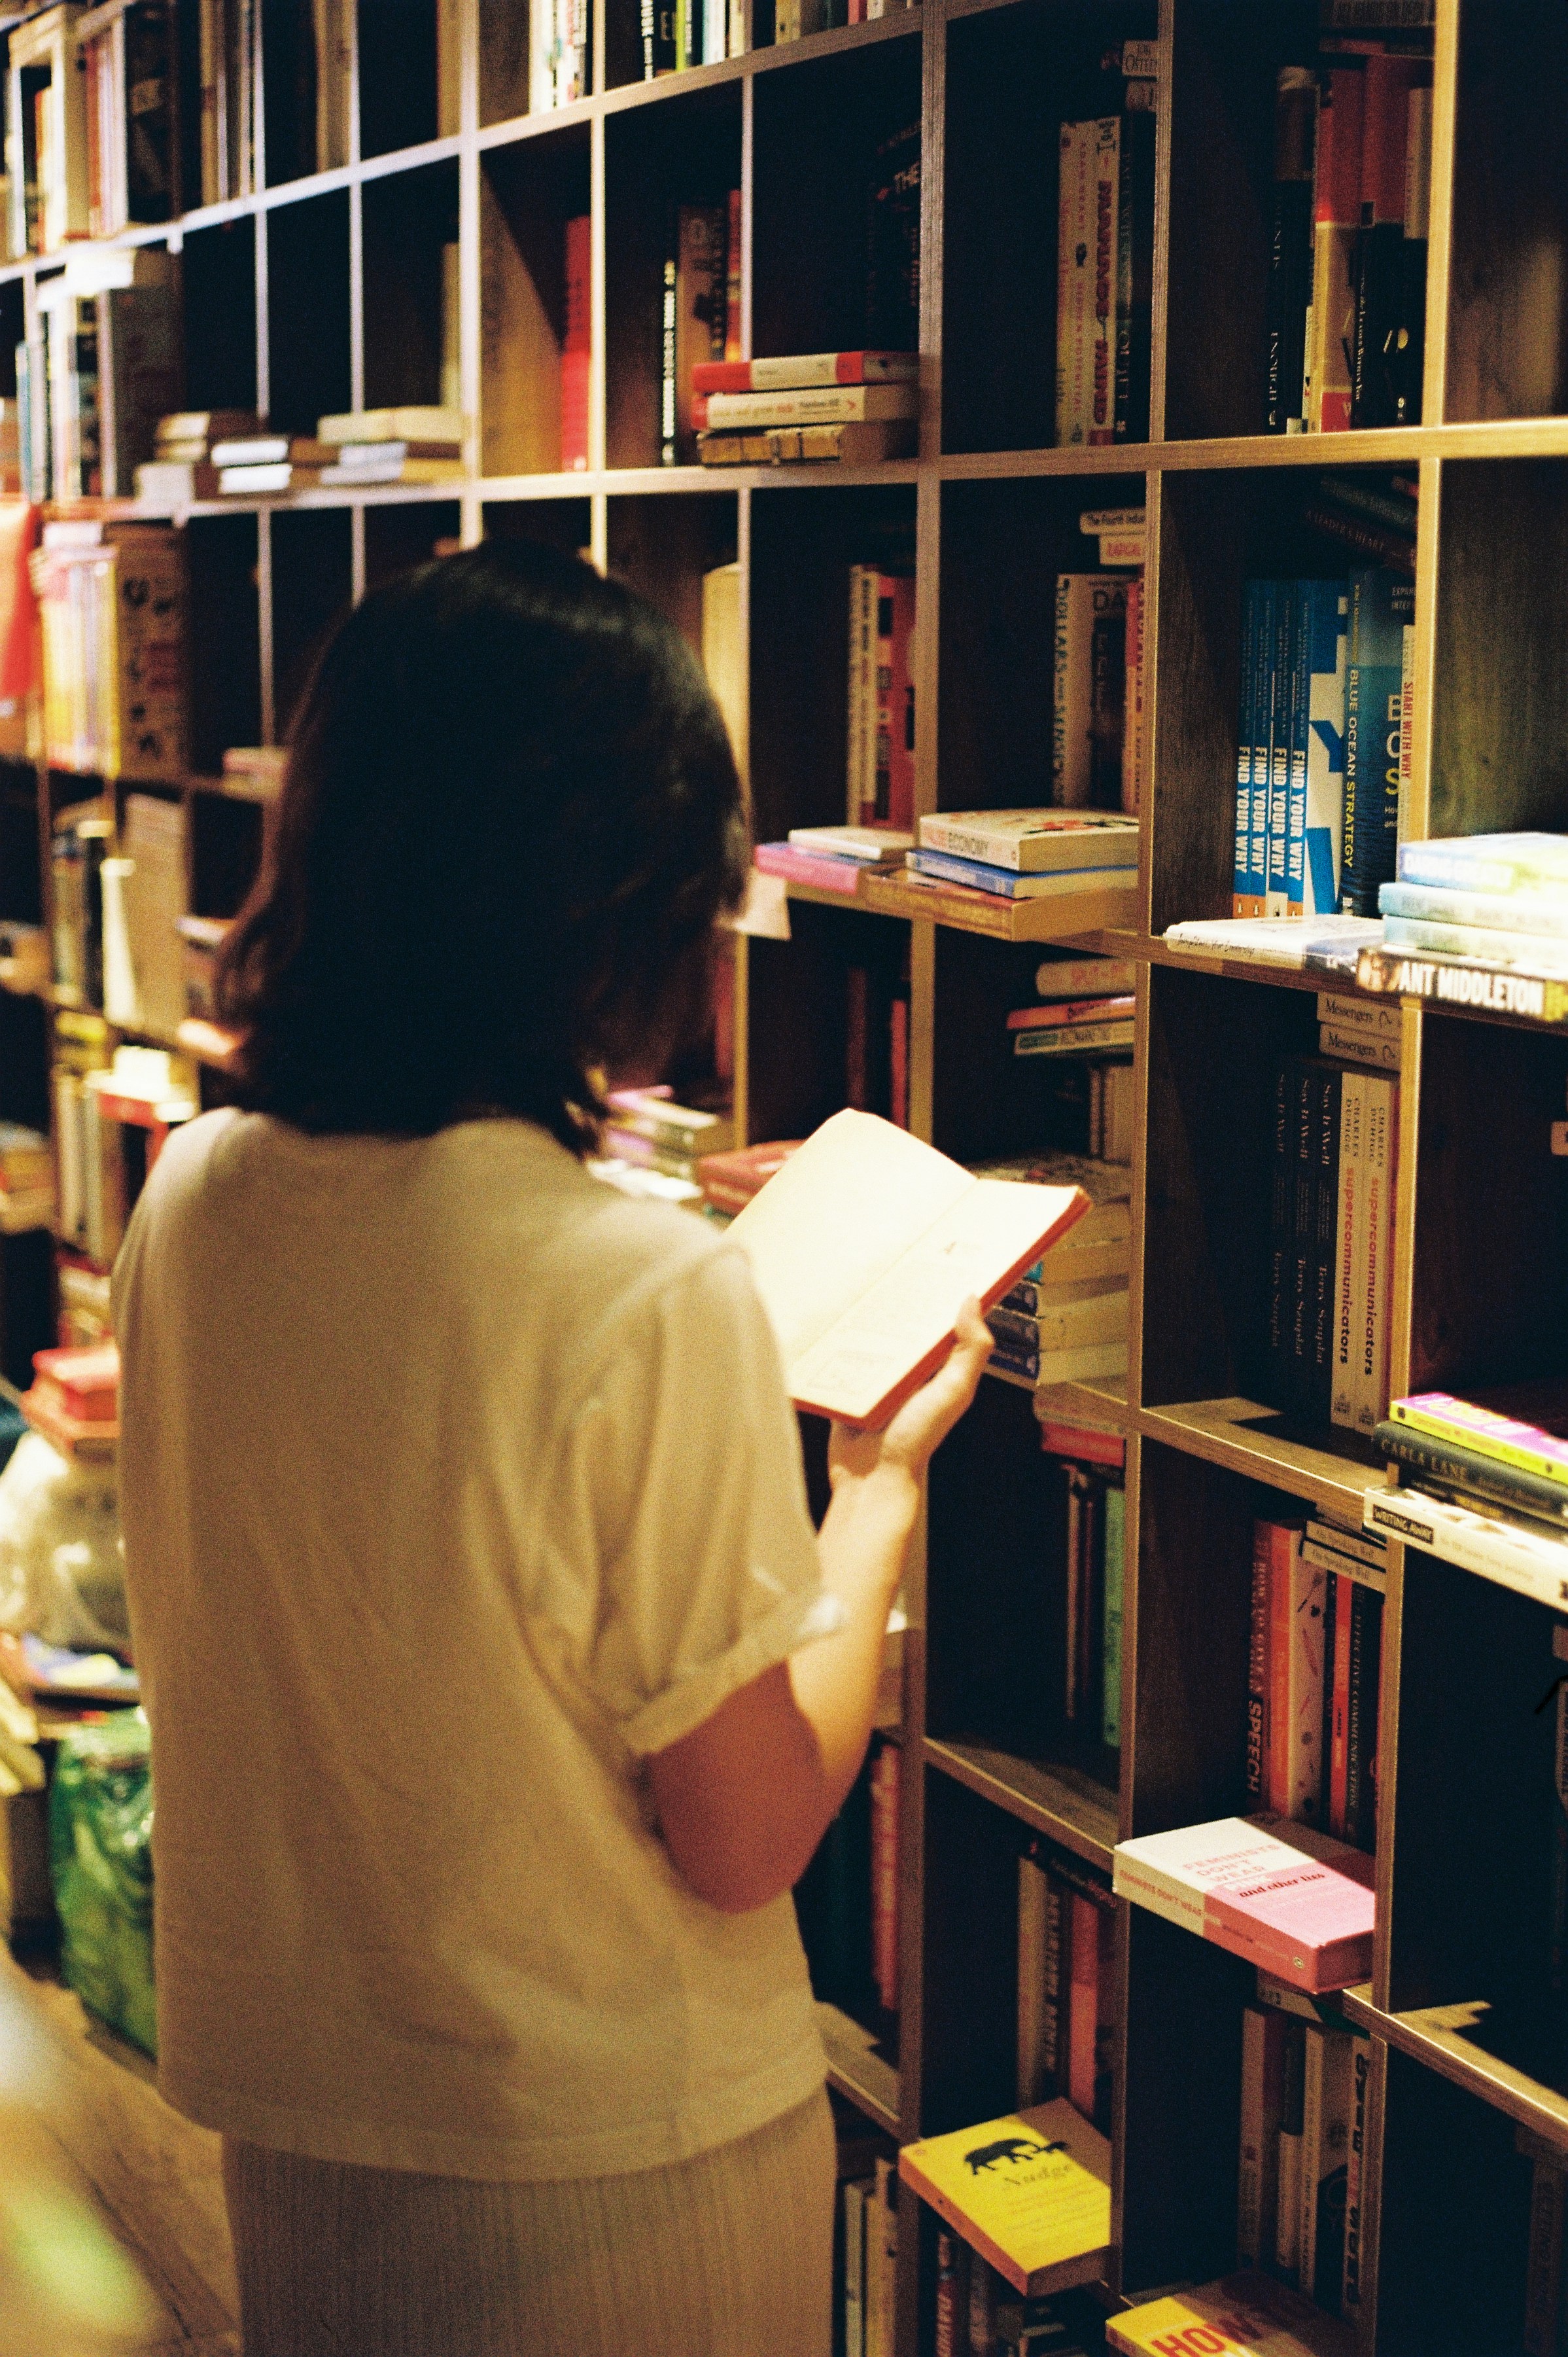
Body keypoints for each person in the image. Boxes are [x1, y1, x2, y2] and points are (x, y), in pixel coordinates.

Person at [114, 541, 991, 2357]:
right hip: (614, 2170)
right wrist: (877, 1507)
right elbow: (741, 1833)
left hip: (313, 2143)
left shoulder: (193, 1203)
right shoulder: (635, 1292)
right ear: (628, 903)